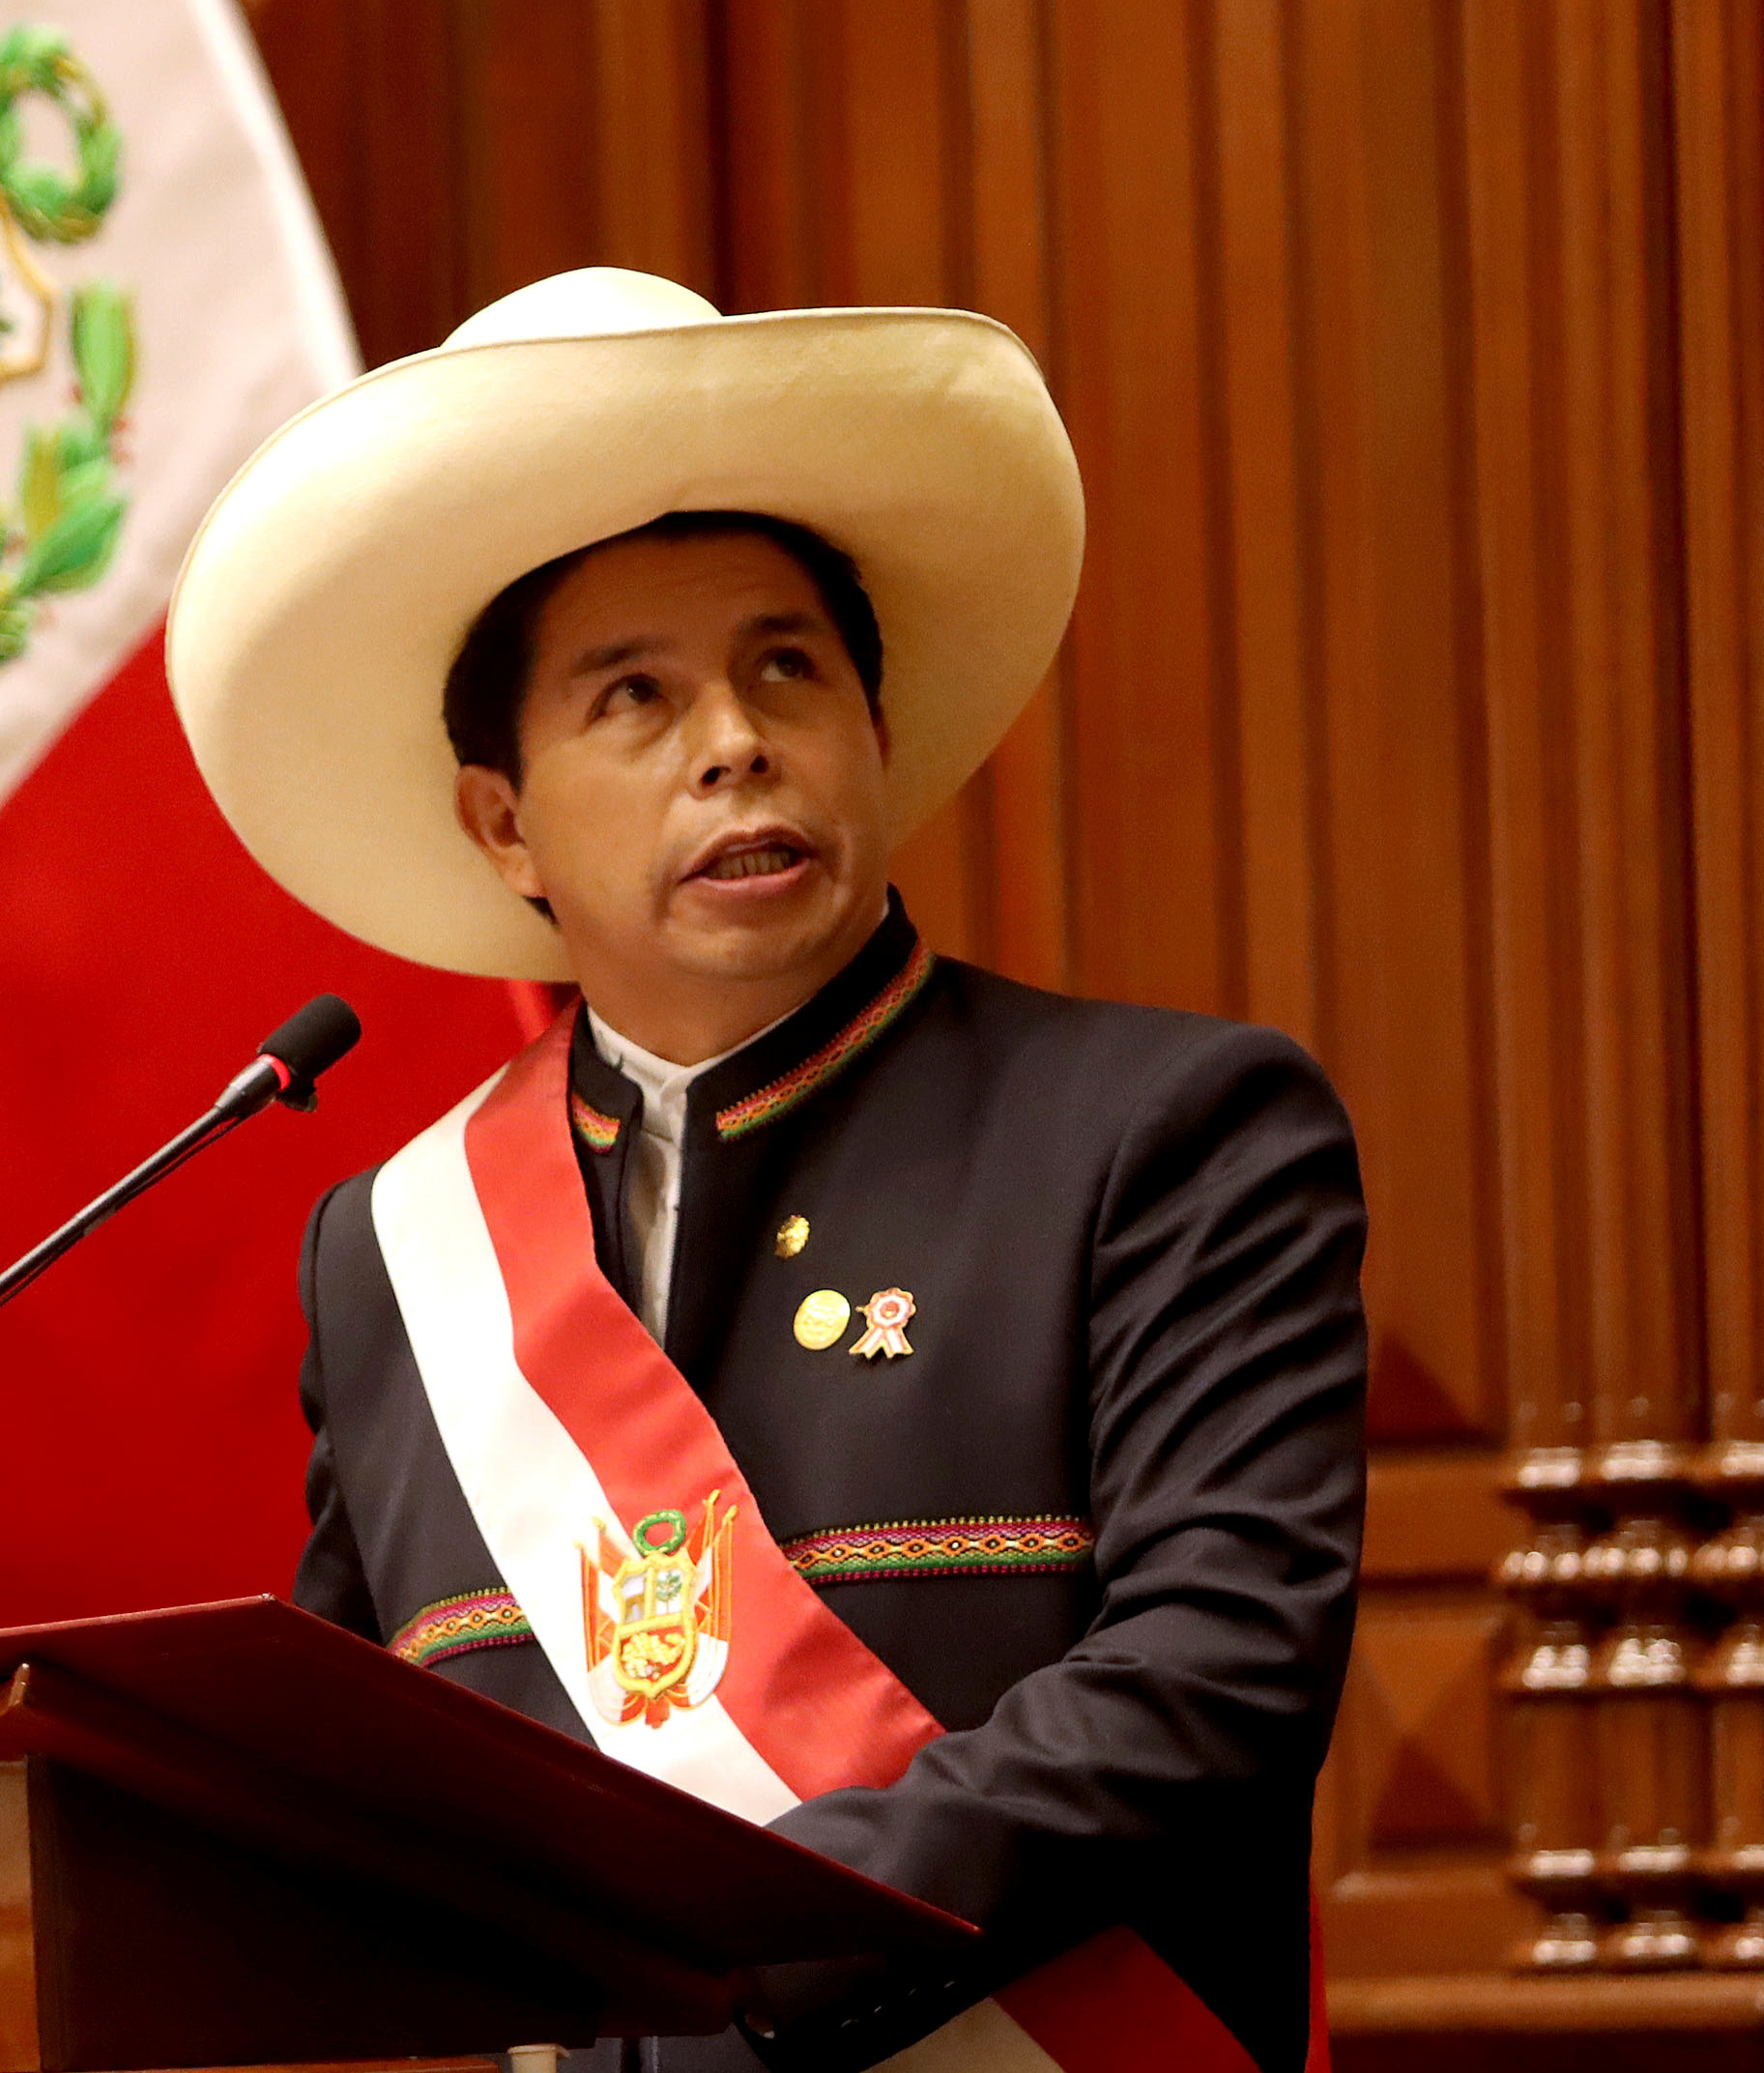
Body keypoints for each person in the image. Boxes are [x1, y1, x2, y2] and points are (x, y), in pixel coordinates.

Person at [164, 270, 1363, 2073]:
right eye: (636, 696)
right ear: (505, 824)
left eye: (785, 668)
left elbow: (1216, 1681)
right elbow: (365, 1798)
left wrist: (733, 1972)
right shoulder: (395, 1256)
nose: (734, 740)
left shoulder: (1163, 1134)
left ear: (873, 733)